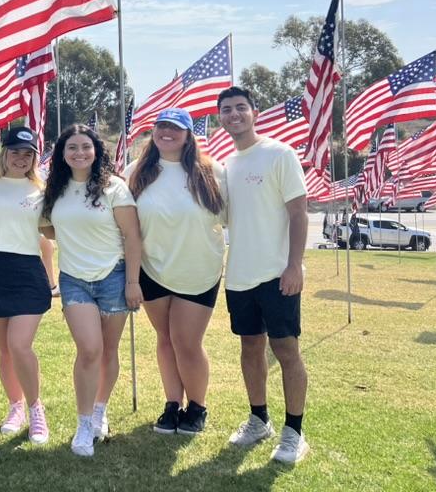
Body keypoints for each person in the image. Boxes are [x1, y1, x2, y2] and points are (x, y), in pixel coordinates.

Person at [217, 86, 310, 465]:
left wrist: (293, 265)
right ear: (220, 117)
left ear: (254, 112)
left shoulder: (279, 154)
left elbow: (299, 213)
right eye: (227, 110)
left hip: (277, 274)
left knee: (286, 349)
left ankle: (294, 432)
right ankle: (259, 420)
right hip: (239, 275)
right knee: (250, 348)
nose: (234, 114)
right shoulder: (226, 165)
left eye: (241, 107)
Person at [41, 125, 142, 457]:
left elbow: (131, 237)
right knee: (89, 350)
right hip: (74, 279)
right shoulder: (55, 189)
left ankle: (100, 409)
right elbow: (47, 228)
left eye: (86, 146)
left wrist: (132, 282)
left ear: (97, 150)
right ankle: (84, 424)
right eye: (72, 147)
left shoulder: (114, 188)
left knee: (108, 352)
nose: (79, 152)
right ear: (62, 153)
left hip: (114, 277)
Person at [126, 107, 226, 436]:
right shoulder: (136, 172)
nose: (167, 133)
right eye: (161, 127)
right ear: (153, 132)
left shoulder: (212, 172)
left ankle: (197, 407)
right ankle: (172, 404)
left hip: (199, 270)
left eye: (176, 128)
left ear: (188, 135)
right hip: (151, 270)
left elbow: (233, 218)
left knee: (187, 342)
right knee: (166, 339)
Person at [0, 126, 51, 445]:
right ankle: (15, 407)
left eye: (27, 153)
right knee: (3, 350)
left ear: (34, 157)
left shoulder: (41, 190)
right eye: (15, 151)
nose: (21, 158)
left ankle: (35, 409)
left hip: (28, 272)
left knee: (19, 345)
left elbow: (53, 233)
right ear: (4, 153)